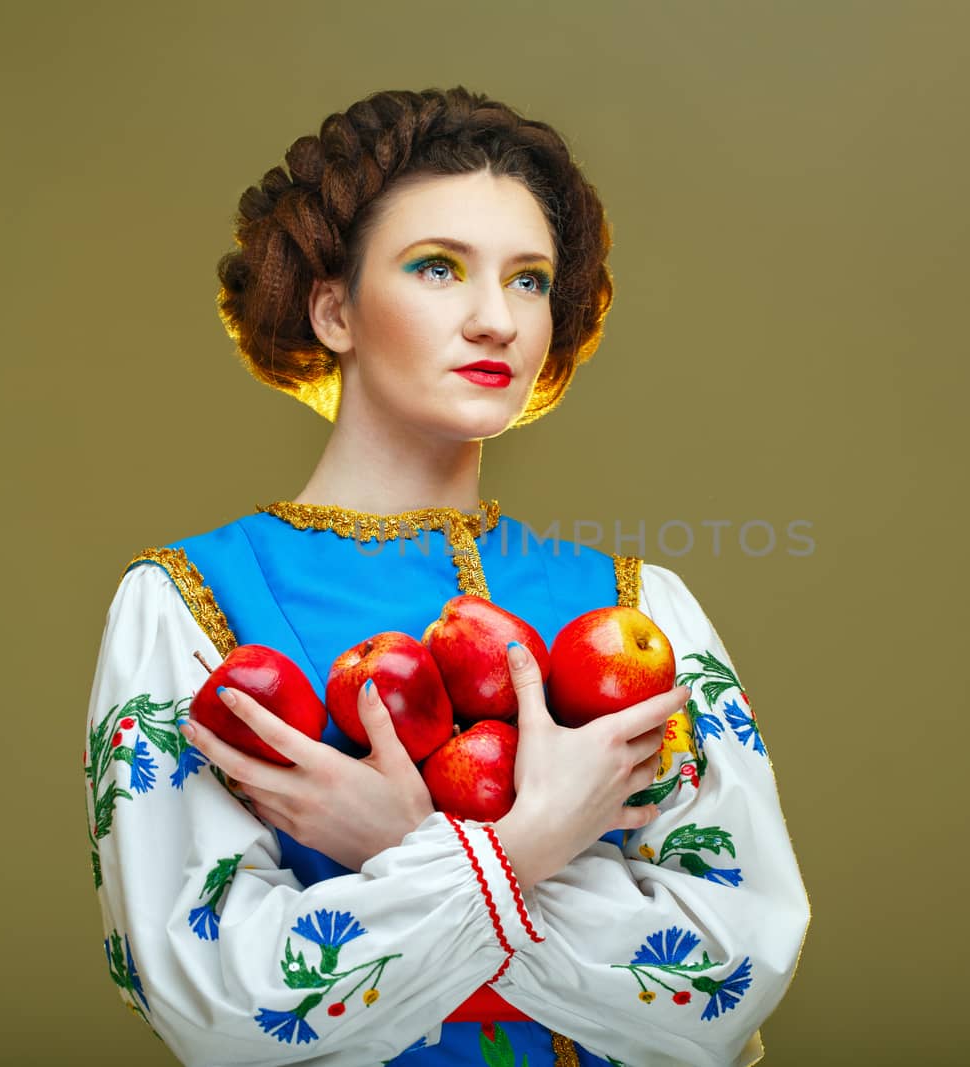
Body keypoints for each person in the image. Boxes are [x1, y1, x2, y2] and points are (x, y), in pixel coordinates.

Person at [82, 86, 809, 1067]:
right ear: (334, 308)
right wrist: (522, 847)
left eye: (528, 280)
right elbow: (223, 1000)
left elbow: (727, 976)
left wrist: (406, 839)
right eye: (437, 268)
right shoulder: (186, 601)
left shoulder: (643, 605)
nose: (495, 319)